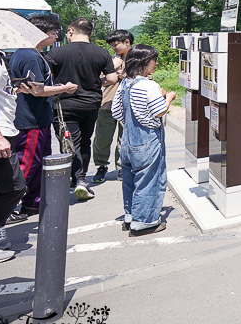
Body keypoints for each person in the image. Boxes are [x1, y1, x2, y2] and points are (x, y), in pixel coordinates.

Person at [7, 15, 77, 223]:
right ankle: (8, 206)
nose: (56, 37)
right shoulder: (29, 56)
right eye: (53, 33)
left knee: (39, 162)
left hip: (39, 118)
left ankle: (32, 201)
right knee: (26, 163)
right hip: (30, 119)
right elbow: (36, 90)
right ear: (39, 34)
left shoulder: (32, 54)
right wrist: (64, 88)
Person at [48, 18, 118, 201]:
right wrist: (96, 82)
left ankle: (78, 180)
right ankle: (81, 178)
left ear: (71, 31)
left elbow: (48, 79)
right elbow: (111, 78)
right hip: (91, 103)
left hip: (65, 105)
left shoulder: (56, 52)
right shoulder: (101, 53)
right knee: (85, 140)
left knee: (70, 142)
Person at [111, 44, 176, 236]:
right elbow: (159, 111)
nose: (155, 63)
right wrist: (169, 97)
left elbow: (116, 111)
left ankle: (130, 216)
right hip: (147, 141)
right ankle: (145, 222)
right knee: (149, 181)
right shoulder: (149, 85)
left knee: (130, 181)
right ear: (143, 62)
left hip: (128, 142)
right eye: (153, 60)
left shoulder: (125, 84)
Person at [0, 49, 27, 263]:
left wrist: (14, 89)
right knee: (15, 186)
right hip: (0, 133)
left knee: (7, 186)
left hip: (6, 129)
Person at [92, 29, 134, 184]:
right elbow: (96, 80)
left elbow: (148, 77)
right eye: (112, 46)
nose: (114, 48)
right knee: (102, 138)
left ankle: (122, 167)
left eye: (116, 45)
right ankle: (101, 166)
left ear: (127, 42)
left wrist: (127, 74)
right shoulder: (108, 60)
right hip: (107, 102)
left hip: (129, 104)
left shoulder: (138, 58)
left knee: (125, 139)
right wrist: (113, 70)